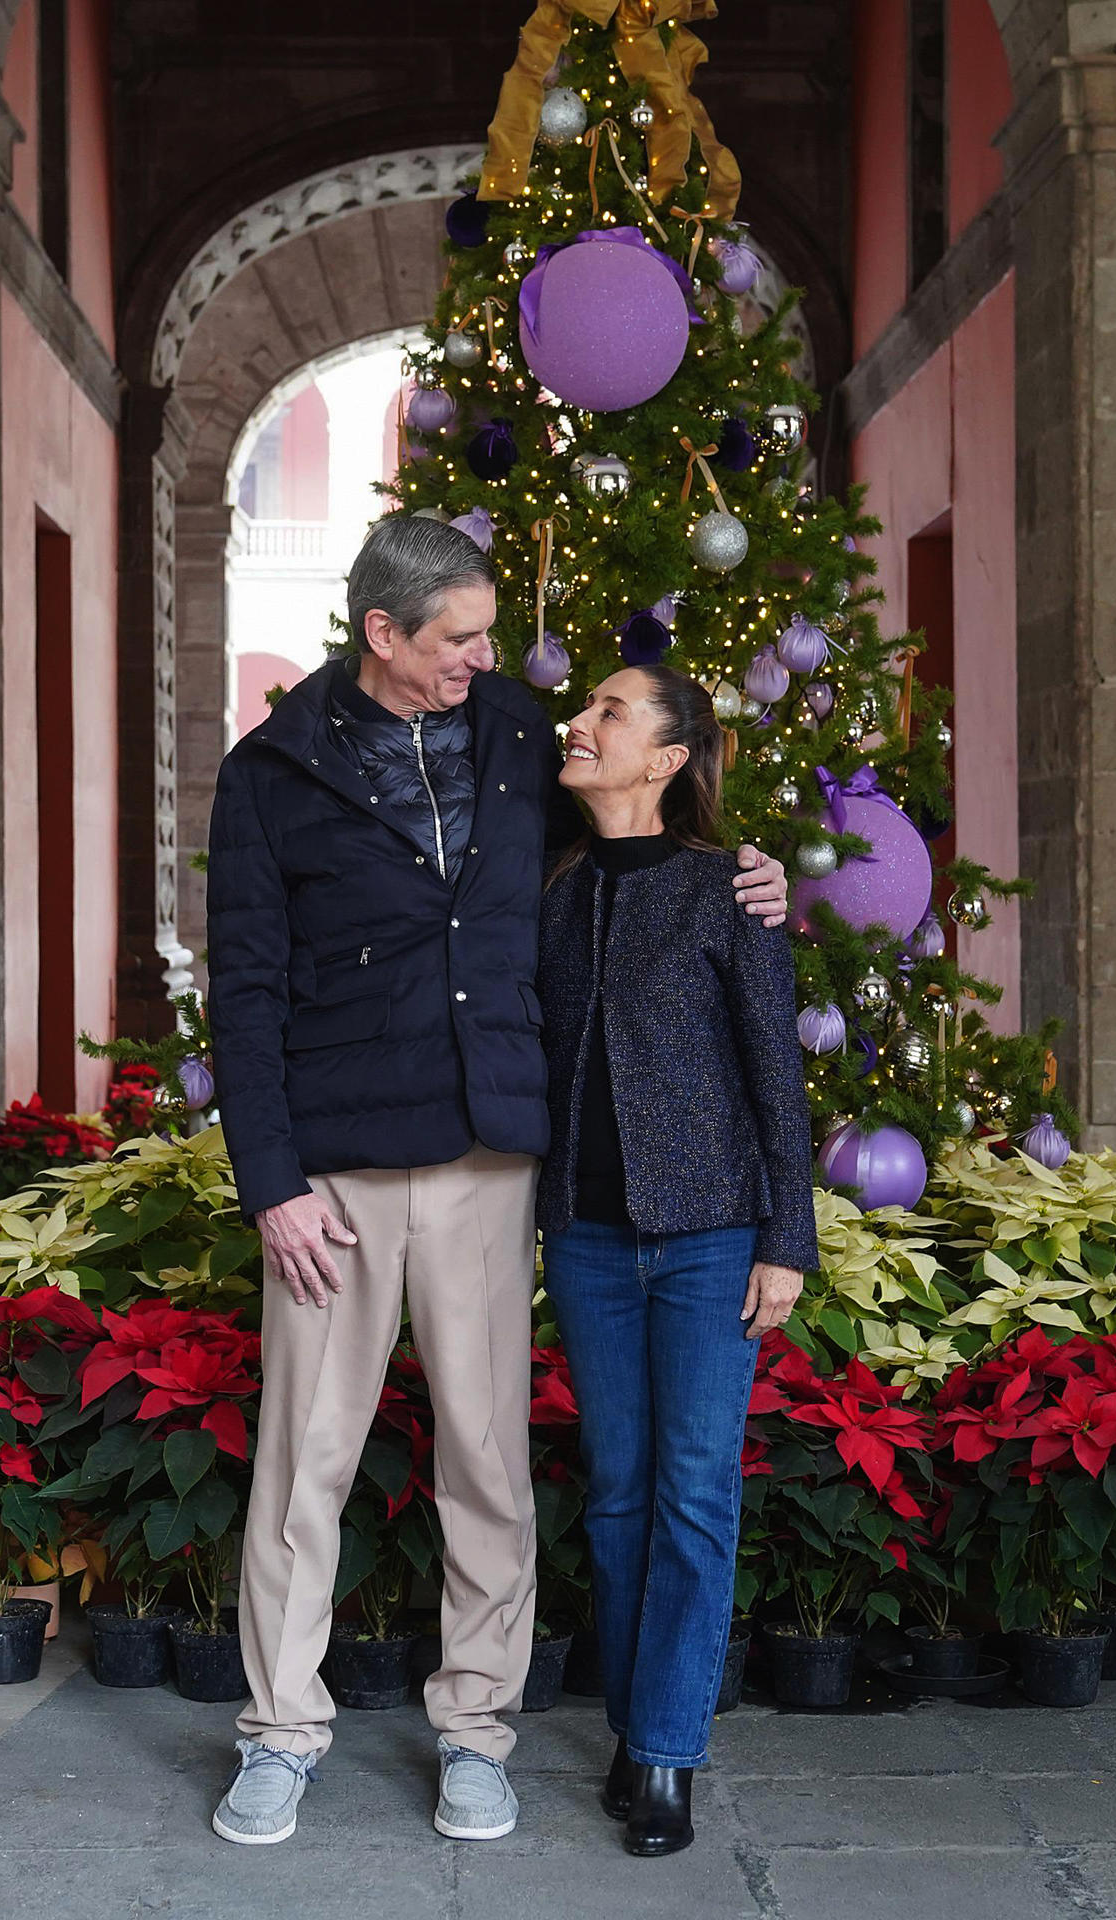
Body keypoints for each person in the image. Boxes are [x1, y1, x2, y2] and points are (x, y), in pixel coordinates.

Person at [204, 517, 789, 1848]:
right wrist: (272, 1185)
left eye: (482, 634)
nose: (484, 658)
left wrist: (744, 872)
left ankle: (475, 1729)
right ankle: (281, 1733)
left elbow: (641, 847)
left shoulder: (522, 736)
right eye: (455, 638)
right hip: (331, 1176)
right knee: (306, 1464)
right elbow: (239, 993)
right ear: (383, 635)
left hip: (485, 1159)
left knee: (485, 1461)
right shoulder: (271, 773)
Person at [536, 664, 819, 1859]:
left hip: (709, 1236)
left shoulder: (725, 893)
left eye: (608, 711)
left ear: (663, 758)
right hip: (589, 1237)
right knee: (615, 1495)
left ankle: (662, 1753)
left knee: (695, 1496)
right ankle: (642, 1717)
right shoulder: (545, 886)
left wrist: (786, 1240)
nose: (580, 721)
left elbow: (775, 1069)